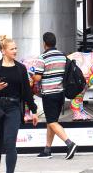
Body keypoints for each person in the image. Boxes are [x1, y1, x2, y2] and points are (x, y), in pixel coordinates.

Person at [0, 35, 39, 173]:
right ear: (3, 50)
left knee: (10, 143)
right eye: (12, 48)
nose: (15, 51)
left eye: (16, 48)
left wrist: (34, 110)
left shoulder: (20, 68)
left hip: (13, 108)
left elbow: (26, 91)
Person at [30, 31, 78, 160]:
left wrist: (31, 72)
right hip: (60, 94)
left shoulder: (42, 58)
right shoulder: (62, 56)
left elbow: (37, 77)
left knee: (51, 121)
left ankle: (70, 144)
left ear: (44, 43)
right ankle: (47, 150)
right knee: (52, 122)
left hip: (49, 94)